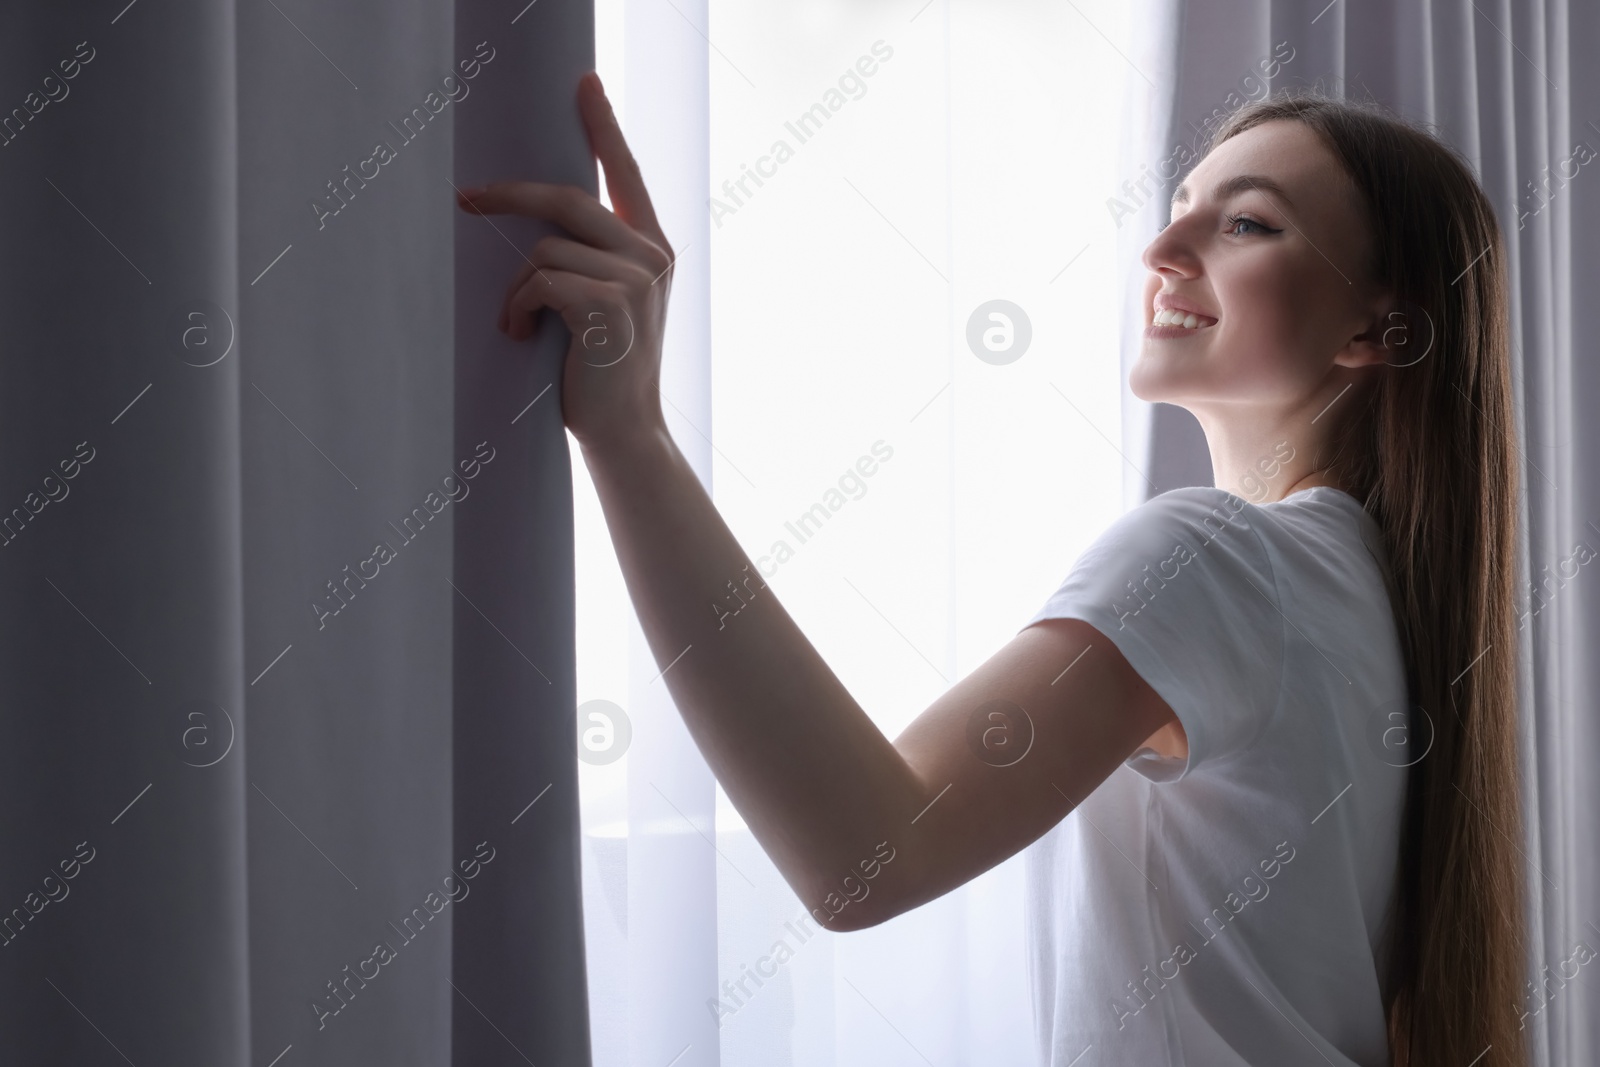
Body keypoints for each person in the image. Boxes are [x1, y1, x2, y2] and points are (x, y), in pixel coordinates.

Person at [454, 74, 1527, 1067]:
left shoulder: (1217, 560)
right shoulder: (1376, 595)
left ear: (1377, 330)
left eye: (1244, 221)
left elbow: (863, 856)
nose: (1162, 244)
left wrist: (631, 435)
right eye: (1182, 203)